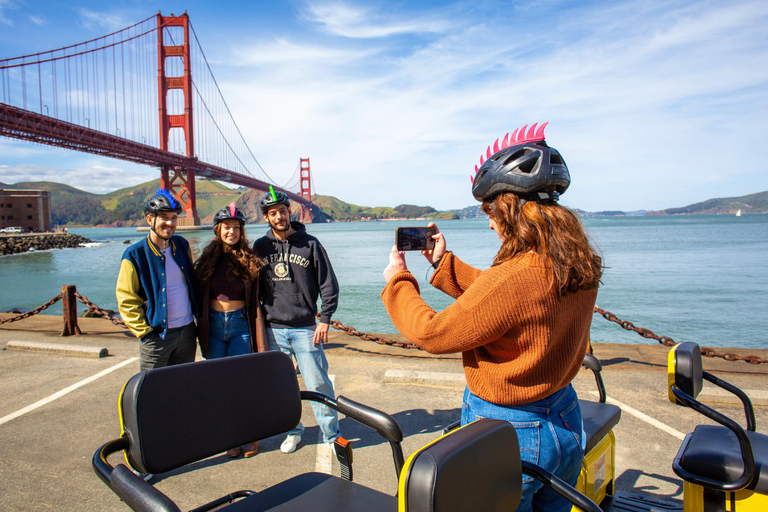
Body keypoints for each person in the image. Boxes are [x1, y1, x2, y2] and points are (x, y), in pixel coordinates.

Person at [381, 125, 602, 512]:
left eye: (491, 211)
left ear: (512, 209)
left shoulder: (518, 275)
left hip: (512, 431)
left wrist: (399, 282)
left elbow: (433, 334)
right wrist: (443, 265)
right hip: (566, 420)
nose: (488, 222)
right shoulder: (575, 262)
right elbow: (510, 302)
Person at [253, 187, 341, 453]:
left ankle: (331, 435)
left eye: (282, 211)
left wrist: (325, 318)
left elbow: (328, 284)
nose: (279, 216)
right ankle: (293, 431)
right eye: (272, 213)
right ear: (267, 218)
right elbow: (252, 286)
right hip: (273, 329)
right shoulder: (260, 247)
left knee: (318, 383)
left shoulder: (310, 243)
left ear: (289, 212)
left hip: (305, 327)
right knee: (282, 387)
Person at [194, 202, 266, 458]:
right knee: (218, 384)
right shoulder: (206, 261)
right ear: (218, 229)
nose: (231, 232)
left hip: (240, 326)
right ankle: (228, 436)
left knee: (240, 383)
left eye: (236, 228)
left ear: (242, 231)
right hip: (213, 325)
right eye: (227, 227)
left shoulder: (251, 260)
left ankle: (248, 434)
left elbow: (262, 295)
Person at [116, 188, 197, 372]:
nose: (170, 223)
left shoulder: (182, 245)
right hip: (157, 336)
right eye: (163, 217)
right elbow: (126, 299)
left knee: (183, 387)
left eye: (174, 218)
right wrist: (145, 334)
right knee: (152, 391)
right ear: (149, 219)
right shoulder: (134, 255)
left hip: (187, 332)